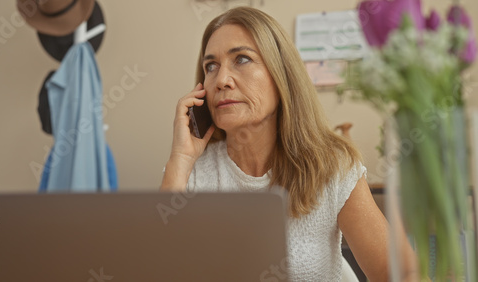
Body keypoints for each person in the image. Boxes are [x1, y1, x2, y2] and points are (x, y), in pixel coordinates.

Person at [161, 6, 417, 281]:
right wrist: (180, 159)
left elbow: (399, 275)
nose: (221, 80)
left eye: (242, 59)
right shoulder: (192, 169)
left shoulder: (333, 166)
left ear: (281, 74)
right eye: (211, 66)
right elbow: (153, 268)